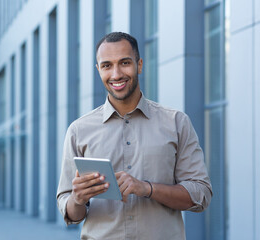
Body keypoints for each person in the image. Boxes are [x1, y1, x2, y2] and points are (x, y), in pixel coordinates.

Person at [57, 32, 212, 240]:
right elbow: (70, 212)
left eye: (124, 63)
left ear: (139, 65)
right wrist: (77, 199)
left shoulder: (176, 122)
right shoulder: (78, 130)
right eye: (106, 66)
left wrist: (146, 188)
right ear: (98, 70)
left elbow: (200, 195)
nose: (116, 74)